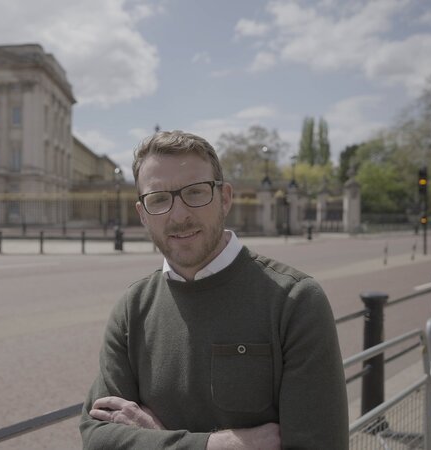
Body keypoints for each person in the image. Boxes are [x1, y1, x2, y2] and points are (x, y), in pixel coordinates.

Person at [79, 131, 347, 449]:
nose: (179, 214)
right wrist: (214, 446)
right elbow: (97, 439)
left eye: (195, 193)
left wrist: (151, 439)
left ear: (225, 198)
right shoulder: (132, 308)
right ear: (143, 215)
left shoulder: (295, 301)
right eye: (159, 199)